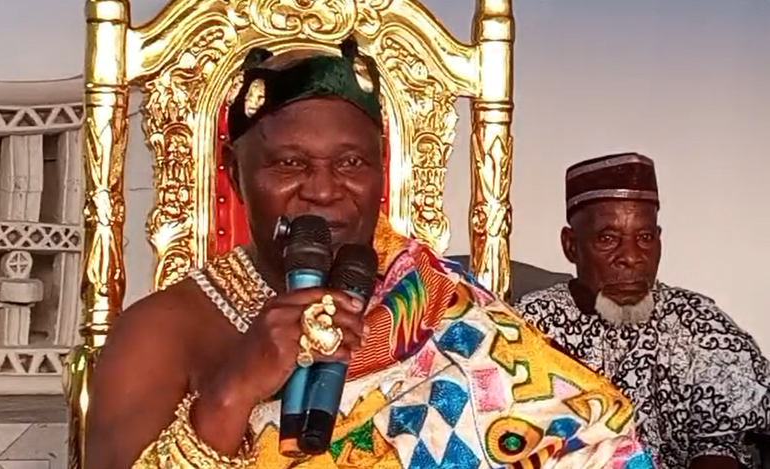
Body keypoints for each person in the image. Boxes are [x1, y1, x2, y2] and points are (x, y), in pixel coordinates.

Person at [84, 39, 654, 469]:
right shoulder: (160, 331)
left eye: (351, 163)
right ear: (235, 174)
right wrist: (233, 391)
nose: (324, 189)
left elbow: (591, 443)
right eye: (290, 163)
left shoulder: (435, 299)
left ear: (381, 174)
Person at [516, 152, 770, 469]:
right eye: (608, 238)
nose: (632, 257)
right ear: (571, 245)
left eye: (645, 237)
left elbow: (723, 444)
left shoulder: (696, 323)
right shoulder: (532, 326)